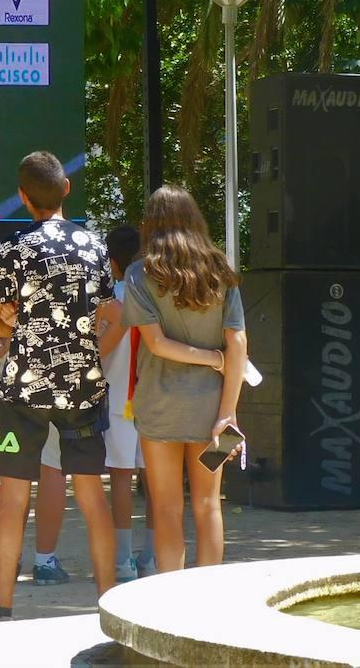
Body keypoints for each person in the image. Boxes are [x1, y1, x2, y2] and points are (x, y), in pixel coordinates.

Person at [0, 151, 117, 621]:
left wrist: (8, 317)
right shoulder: (95, 247)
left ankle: (2, 606)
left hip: (23, 388)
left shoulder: (11, 250)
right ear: (66, 189)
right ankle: (108, 604)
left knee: (15, 496)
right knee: (91, 494)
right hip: (82, 385)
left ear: (22, 197)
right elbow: (110, 313)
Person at [123, 185, 247, 572]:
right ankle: (207, 598)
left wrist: (210, 359)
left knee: (165, 506)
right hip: (212, 409)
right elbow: (238, 341)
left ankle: (170, 602)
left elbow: (156, 345)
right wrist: (228, 412)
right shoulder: (221, 270)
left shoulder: (139, 274)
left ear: (150, 225)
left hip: (159, 408)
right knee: (210, 504)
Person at [0, 285, 72, 585]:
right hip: (58, 386)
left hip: (14, 386)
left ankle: (6, 561)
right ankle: (45, 562)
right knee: (54, 472)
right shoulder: (74, 259)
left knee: (14, 480)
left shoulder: (14, 260)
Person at [94, 224, 154, 582]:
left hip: (118, 400)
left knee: (120, 480)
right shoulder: (156, 293)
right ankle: (153, 557)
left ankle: (122, 562)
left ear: (112, 260)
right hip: (154, 399)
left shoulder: (109, 298)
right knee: (157, 480)